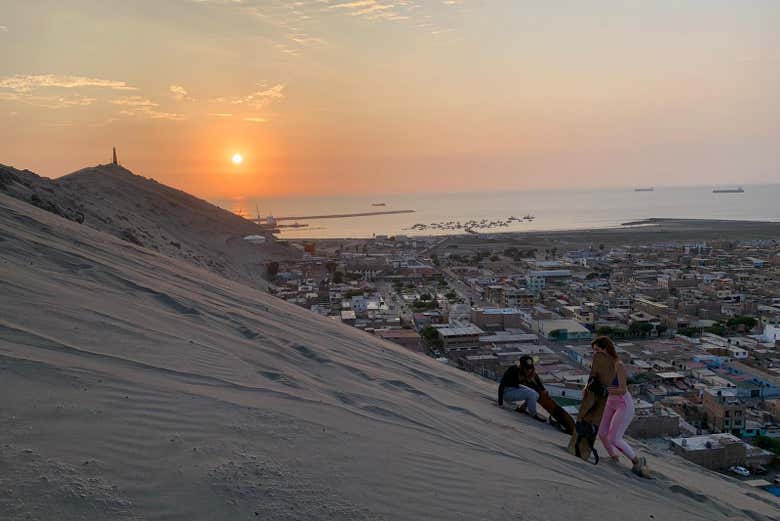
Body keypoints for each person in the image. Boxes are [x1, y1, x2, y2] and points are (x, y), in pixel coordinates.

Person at [591, 336, 649, 478]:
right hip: (609, 402)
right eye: (594, 351)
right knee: (602, 433)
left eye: (597, 350)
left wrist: (605, 390)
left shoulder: (618, 365)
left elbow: (622, 389)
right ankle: (614, 459)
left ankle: (637, 461)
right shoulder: (600, 365)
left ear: (606, 349)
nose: (595, 353)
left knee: (614, 438)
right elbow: (594, 380)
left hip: (623, 403)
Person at [516, 355, 575, 434]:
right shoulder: (518, 374)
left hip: (539, 394)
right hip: (535, 393)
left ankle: (570, 427)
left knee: (553, 408)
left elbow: (536, 380)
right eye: (527, 368)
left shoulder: (530, 372)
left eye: (530, 368)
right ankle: (570, 426)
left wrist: (543, 390)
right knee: (551, 406)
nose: (529, 370)